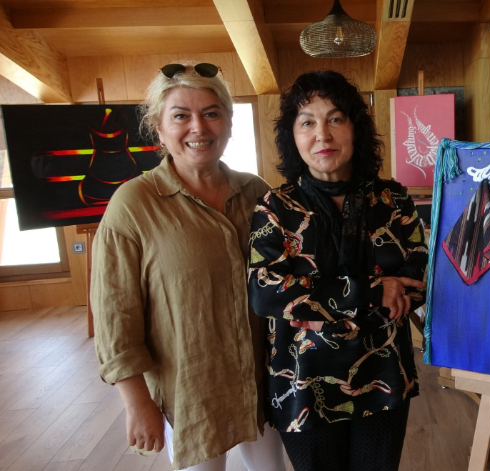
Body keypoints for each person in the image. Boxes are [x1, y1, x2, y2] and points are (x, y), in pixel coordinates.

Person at [91, 62, 286, 471]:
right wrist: (137, 403)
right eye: (180, 115)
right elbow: (115, 313)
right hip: (193, 390)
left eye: (211, 113)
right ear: (159, 129)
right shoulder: (134, 204)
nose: (198, 127)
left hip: (263, 380)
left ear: (228, 124)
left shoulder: (256, 192)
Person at [247, 70, 427, 471]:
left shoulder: (393, 200)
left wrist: (316, 301)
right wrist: (374, 291)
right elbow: (265, 291)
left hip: (384, 376)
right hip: (302, 383)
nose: (322, 135)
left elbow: (419, 277)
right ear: (293, 136)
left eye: (335, 119)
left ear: (355, 128)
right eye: (307, 122)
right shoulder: (275, 207)